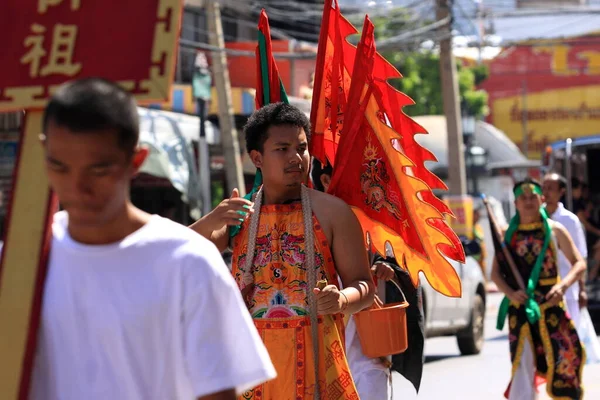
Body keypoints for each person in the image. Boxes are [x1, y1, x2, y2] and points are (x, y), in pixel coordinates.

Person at [30, 78, 276, 400]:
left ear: (135, 161)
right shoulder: (22, 261)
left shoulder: (188, 263)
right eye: (59, 166)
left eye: (98, 170)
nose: (77, 186)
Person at [191, 102, 375, 399]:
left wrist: (342, 299)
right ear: (257, 157)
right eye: (282, 149)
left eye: (301, 148)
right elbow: (179, 254)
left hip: (318, 370)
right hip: (250, 374)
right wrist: (213, 218)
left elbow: (365, 287)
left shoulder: (333, 213)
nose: (296, 158)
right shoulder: (240, 216)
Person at [311, 159, 425, 399]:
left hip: (368, 354)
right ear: (325, 180)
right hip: (322, 359)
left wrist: (389, 269)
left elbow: (402, 263)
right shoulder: (307, 224)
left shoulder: (374, 219)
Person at [492, 178, 586, 400]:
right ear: (515, 203)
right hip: (520, 308)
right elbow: (495, 274)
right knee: (521, 363)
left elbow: (579, 263)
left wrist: (562, 286)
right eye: (522, 198)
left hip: (551, 304)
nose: (528, 201)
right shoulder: (507, 234)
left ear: (541, 199)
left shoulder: (555, 230)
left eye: (532, 196)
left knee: (566, 356)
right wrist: (511, 293)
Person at [542, 173, 588, 326]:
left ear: (561, 192)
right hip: (540, 292)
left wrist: (582, 288)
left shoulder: (570, 220)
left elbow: (580, 257)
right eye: (544, 188)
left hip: (567, 290)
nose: (546, 192)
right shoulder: (534, 218)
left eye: (551, 188)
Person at [472, 206, 488, 282]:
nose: (479, 216)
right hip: (474, 257)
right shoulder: (470, 227)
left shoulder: (478, 227)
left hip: (481, 256)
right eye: (477, 214)